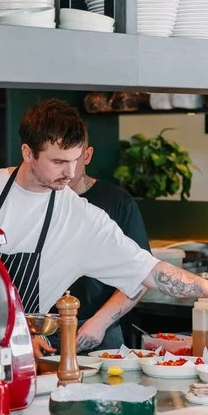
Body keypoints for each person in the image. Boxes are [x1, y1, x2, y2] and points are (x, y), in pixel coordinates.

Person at [0, 98, 208, 356]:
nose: (70, 173)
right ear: (28, 153)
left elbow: (149, 271)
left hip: (20, 353)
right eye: (58, 161)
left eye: (75, 161)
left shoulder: (80, 217)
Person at [52, 135, 151, 352]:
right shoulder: (41, 199)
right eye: (58, 161)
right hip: (42, 330)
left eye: (73, 160)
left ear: (87, 156)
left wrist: (101, 321)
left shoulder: (118, 202)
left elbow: (142, 275)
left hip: (99, 331)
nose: (66, 171)